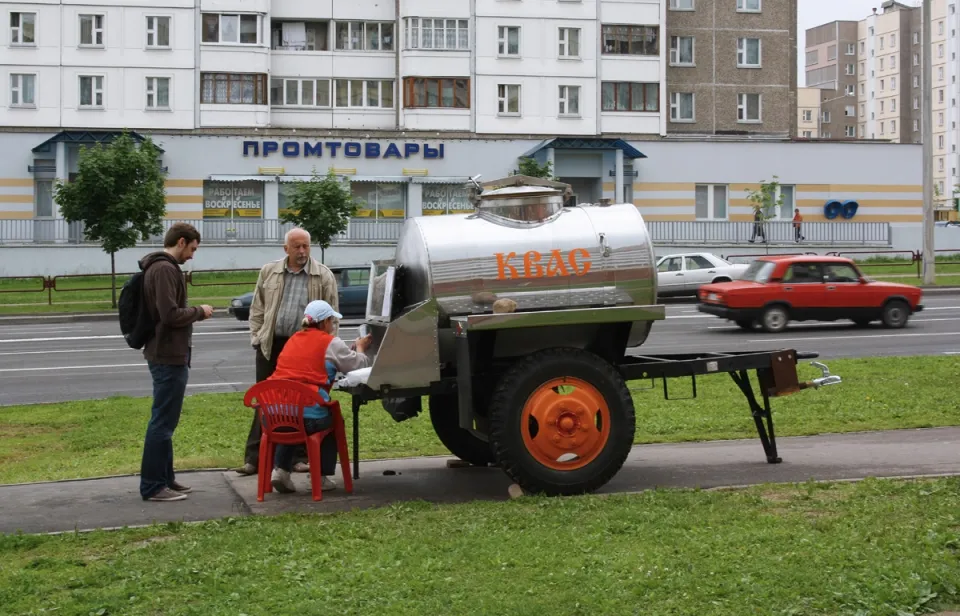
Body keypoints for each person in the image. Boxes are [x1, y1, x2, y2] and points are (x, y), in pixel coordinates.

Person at [234, 228, 340, 477]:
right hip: (271, 345)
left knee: (302, 402)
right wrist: (257, 337)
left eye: (306, 246)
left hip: (304, 349)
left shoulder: (323, 276)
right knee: (266, 401)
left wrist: (326, 350)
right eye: (297, 247)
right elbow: (257, 307)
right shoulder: (269, 271)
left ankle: (296, 458)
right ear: (286, 249)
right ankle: (255, 458)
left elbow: (331, 316)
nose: (302, 252)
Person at [139, 223, 214, 502]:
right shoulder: (165, 269)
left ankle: (165, 479)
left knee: (166, 421)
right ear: (181, 242)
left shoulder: (159, 267)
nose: (193, 255)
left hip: (167, 353)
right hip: (168, 355)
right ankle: (153, 486)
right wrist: (200, 312)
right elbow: (169, 315)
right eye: (193, 249)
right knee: (162, 422)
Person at [268, 300, 373, 494]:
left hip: (273, 413)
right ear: (325, 322)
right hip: (306, 415)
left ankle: (280, 470)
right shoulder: (330, 342)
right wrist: (360, 348)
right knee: (331, 419)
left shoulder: (293, 339)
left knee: (290, 415)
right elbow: (360, 365)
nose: (333, 325)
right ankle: (320, 476)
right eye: (332, 321)